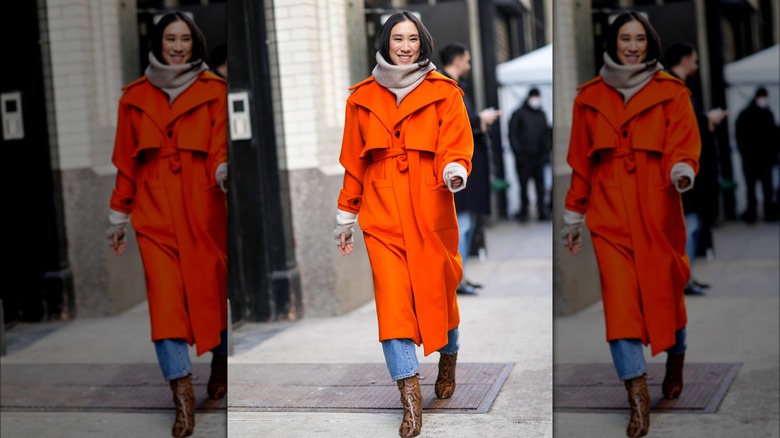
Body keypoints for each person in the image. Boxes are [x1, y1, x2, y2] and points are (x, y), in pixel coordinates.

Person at [332, 11, 473, 438]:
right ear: (385, 42)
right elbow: (354, 162)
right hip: (380, 216)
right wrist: (346, 215)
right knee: (393, 305)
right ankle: (411, 401)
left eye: (413, 38)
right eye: (398, 38)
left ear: (423, 43)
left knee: (438, 294)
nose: (406, 46)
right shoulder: (361, 97)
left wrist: (454, 170)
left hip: (430, 209)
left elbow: (456, 142)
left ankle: (448, 358)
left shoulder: (445, 92)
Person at [561, 12, 701, 437]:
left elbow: (684, 141)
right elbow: (581, 161)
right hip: (607, 214)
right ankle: (637, 396)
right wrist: (573, 215)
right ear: (613, 42)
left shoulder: (672, 91)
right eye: (626, 38)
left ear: (650, 43)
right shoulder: (588, 97)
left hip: (658, 209)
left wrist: (681, 170)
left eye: (640, 38)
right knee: (620, 304)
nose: (633, 45)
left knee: (665, 295)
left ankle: (675, 357)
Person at [104, 11, 229, 437]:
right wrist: (118, 215)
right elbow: (125, 161)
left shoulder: (214, 90)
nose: (177, 46)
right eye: (170, 39)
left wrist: (224, 171)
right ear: (158, 43)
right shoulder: (134, 97)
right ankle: (182, 398)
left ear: (195, 44)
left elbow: (219, 148)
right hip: (153, 214)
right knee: (165, 308)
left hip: (203, 208)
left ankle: (220, 361)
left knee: (212, 297)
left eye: (185, 40)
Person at [439, 42, 502, 295]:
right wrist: (480, 120)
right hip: (454, 168)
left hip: (464, 167)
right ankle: (455, 279)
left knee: (466, 224)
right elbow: (455, 125)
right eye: (467, 60)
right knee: (461, 226)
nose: (469, 65)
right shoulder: (445, 87)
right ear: (457, 61)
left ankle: (459, 277)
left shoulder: (455, 87)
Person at [665, 42, 728, 295]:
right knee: (687, 229)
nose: (697, 65)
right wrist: (707, 122)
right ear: (684, 60)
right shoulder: (673, 88)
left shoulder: (682, 88)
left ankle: (687, 278)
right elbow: (683, 129)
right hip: (683, 173)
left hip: (692, 171)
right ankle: (683, 280)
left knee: (693, 227)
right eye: (695, 60)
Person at [736, 86, 779, 223]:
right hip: (754, 159)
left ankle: (760, 213)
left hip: (759, 159)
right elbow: (740, 137)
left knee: (763, 188)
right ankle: (757, 213)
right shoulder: (749, 115)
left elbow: (774, 136)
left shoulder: (764, 114)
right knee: (756, 188)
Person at [509, 87, 552, 222]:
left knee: (540, 185)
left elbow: (546, 135)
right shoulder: (519, 114)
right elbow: (513, 135)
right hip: (524, 157)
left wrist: (546, 152)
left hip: (538, 157)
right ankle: (524, 211)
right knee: (523, 185)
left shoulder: (541, 114)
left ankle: (541, 210)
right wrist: (518, 153)